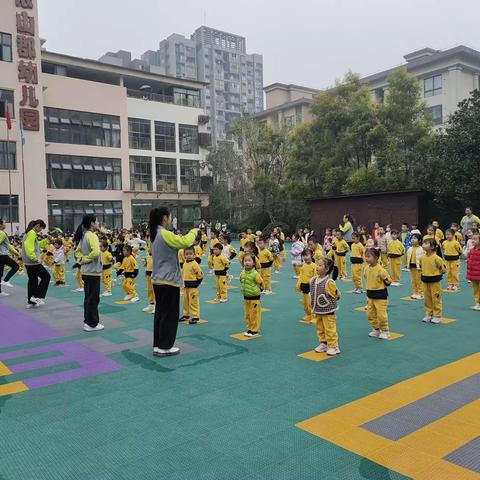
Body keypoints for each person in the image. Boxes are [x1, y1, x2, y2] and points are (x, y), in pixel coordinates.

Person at [149, 207, 199, 357]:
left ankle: (158, 344)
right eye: (170, 217)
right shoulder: (165, 234)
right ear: (164, 218)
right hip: (168, 280)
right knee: (169, 314)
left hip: (158, 279)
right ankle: (165, 346)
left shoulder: (154, 234)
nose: (170, 220)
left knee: (160, 313)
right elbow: (185, 242)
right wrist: (194, 231)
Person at [74, 214, 104, 331]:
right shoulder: (91, 235)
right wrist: (86, 259)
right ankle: (92, 323)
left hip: (86, 272)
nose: (98, 223)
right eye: (96, 221)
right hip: (92, 272)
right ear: (92, 223)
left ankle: (88, 321)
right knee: (93, 298)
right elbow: (96, 252)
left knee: (88, 297)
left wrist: (81, 259)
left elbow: (77, 252)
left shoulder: (83, 235)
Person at [310, 257, 341, 356]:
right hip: (318, 309)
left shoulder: (329, 282)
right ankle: (323, 343)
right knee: (320, 327)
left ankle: (334, 346)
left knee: (330, 328)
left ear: (326, 269)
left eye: (320, 265)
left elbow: (337, 295)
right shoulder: (313, 280)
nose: (317, 267)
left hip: (328, 310)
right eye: (317, 264)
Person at [364, 248, 392, 339]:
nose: (366, 258)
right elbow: (367, 278)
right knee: (370, 314)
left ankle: (385, 330)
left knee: (381, 315)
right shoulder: (366, 268)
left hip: (380, 296)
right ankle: (376, 329)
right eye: (366, 256)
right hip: (370, 295)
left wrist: (384, 284)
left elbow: (388, 281)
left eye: (369, 256)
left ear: (376, 258)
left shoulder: (381, 270)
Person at [22, 219, 51, 308]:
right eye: (41, 229)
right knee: (46, 276)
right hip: (33, 261)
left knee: (32, 281)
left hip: (27, 262)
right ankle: (36, 297)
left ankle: (31, 301)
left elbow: (36, 245)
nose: (40, 231)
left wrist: (46, 240)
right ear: (38, 225)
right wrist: (33, 257)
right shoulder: (32, 233)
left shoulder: (28, 233)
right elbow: (28, 246)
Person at [419, 238, 446, 324]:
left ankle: (437, 315)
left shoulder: (437, 258)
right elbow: (421, 267)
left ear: (433, 246)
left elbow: (443, 269)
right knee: (427, 298)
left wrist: (436, 274)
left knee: (436, 298)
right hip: (425, 280)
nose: (423, 245)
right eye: (423, 243)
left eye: (426, 243)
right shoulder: (422, 257)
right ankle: (429, 314)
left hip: (435, 281)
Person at [239, 252, 264, 337]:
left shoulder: (255, 274)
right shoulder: (242, 273)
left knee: (255, 314)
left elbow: (261, 283)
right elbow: (241, 280)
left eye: (249, 261)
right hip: (246, 297)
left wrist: (259, 290)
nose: (247, 262)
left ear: (254, 263)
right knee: (248, 315)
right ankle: (249, 328)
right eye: (245, 261)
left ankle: (255, 330)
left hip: (254, 298)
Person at [180, 246, 203, 324]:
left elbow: (200, 275)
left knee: (193, 302)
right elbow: (183, 274)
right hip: (185, 287)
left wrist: (197, 283)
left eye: (190, 254)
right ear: (184, 255)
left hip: (193, 287)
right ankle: (186, 315)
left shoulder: (195, 264)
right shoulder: (184, 264)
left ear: (194, 254)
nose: (188, 255)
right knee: (185, 302)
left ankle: (195, 316)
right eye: (187, 254)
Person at [295, 248, 317, 322]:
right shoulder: (303, 266)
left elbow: (315, 277)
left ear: (311, 255)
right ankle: (309, 315)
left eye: (307, 255)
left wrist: (314, 287)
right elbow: (301, 276)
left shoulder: (314, 266)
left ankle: (314, 316)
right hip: (304, 287)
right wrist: (298, 285)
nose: (305, 257)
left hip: (310, 287)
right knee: (305, 304)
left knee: (310, 303)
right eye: (304, 255)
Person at [0, 218, 20, 294]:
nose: (5, 224)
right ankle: (6, 280)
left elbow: (8, 245)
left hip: (2, 255)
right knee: (16, 266)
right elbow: (8, 246)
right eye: (4, 223)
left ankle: (0, 291)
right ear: (1, 224)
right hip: (2, 255)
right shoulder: (2, 233)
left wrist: (16, 253)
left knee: (0, 273)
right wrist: (17, 253)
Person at [407, 234, 424, 300]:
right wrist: (407, 265)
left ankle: (421, 293)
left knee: (419, 280)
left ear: (419, 240)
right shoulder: (409, 249)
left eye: (415, 238)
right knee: (413, 280)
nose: (412, 240)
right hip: (412, 266)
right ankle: (415, 292)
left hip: (419, 267)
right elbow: (407, 257)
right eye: (412, 238)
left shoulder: (422, 249)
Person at [466, 232, 480, 310]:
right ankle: (477, 303)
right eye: (472, 239)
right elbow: (469, 260)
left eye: (475, 239)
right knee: (476, 290)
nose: (473, 241)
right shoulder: (471, 250)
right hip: (474, 275)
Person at [142, 248, 155, 314]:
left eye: (151, 248)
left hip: (154, 275)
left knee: (155, 290)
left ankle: (156, 305)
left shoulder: (156, 257)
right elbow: (146, 265)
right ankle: (151, 304)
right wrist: (146, 272)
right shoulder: (147, 257)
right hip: (148, 275)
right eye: (149, 249)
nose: (149, 250)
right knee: (149, 290)